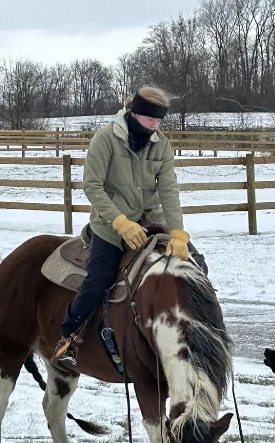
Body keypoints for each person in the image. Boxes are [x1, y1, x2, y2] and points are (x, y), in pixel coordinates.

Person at [52, 86, 209, 371]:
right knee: (98, 280)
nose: (156, 127)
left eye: (159, 122)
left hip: (153, 224)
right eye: (152, 121)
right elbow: (92, 186)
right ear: (136, 114)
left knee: (197, 267)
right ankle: (69, 338)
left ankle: (196, 336)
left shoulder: (160, 144)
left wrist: (178, 232)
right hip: (111, 226)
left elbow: (169, 190)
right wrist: (120, 222)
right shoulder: (106, 139)